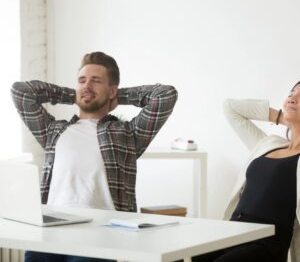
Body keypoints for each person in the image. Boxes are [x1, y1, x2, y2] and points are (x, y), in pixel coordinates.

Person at [11, 51, 178, 262]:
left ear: (112, 90)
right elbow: (21, 92)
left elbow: (165, 95)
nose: (87, 85)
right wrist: (75, 94)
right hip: (49, 232)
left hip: (101, 235)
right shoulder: (53, 131)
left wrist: (115, 95)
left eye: (96, 80)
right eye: (82, 80)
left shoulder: (127, 134)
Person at [190, 81, 300, 262]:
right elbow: (231, 108)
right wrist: (283, 118)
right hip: (232, 234)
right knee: (177, 257)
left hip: (266, 245)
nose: (292, 98)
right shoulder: (267, 144)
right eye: (291, 92)